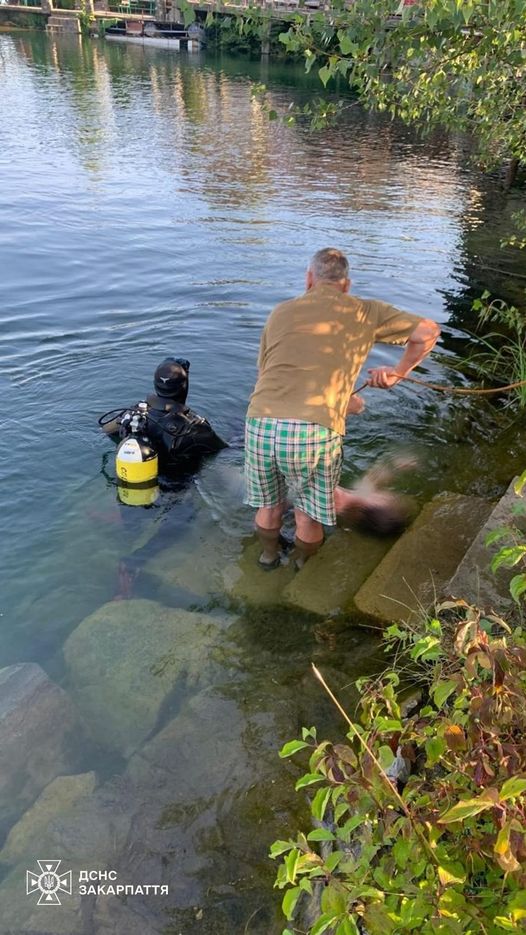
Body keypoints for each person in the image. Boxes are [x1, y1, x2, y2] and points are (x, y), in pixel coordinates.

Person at [245, 247, 440, 569]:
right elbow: (429, 332)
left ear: (309, 279)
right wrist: (398, 374)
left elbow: (269, 376)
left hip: (261, 421)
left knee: (269, 507)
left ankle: (267, 558)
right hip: (314, 433)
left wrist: (344, 402)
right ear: (346, 285)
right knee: (307, 517)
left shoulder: (280, 311)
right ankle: (300, 567)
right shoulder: (366, 311)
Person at [101, 357, 227, 471]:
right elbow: (227, 451)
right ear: (184, 387)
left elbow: (105, 430)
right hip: (178, 492)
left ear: (156, 385)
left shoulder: (135, 414)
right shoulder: (194, 428)